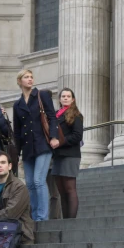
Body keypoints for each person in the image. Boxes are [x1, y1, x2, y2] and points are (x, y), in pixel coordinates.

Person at [13, 69, 58, 221]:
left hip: (43, 144)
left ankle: (42, 217)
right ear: (20, 81)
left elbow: (52, 117)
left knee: (39, 181)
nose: (30, 79)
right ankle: (33, 217)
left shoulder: (41, 95)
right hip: (27, 149)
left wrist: (53, 136)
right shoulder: (17, 104)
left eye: (31, 77)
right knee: (31, 184)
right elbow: (17, 131)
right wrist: (17, 153)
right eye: (26, 77)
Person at [51, 88, 84, 219]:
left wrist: (60, 142)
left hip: (70, 154)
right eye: (63, 96)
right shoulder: (55, 115)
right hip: (57, 156)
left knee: (70, 189)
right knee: (62, 191)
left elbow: (77, 136)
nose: (65, 98)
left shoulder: (76, 115)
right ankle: (65, 220)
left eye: (68, 96)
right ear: (59, 99)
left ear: (73, 99)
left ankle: (71, 222)